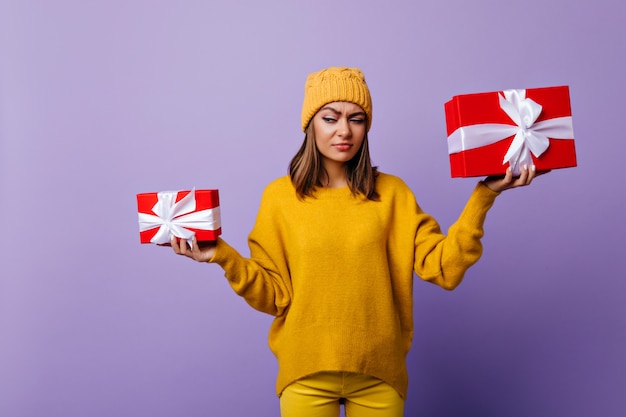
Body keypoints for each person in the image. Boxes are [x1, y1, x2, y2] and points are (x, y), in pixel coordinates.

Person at [168, 67, 542, 417]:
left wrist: (485, 195)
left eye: (356, 119)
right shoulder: (279, 199)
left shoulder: (393, 194)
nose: (343, 130)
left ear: (366, 128)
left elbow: (444, 269)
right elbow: (273, 296)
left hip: (380, 376)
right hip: (305, 374)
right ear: (310, 125)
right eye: (330, 118)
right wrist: (222, 256)